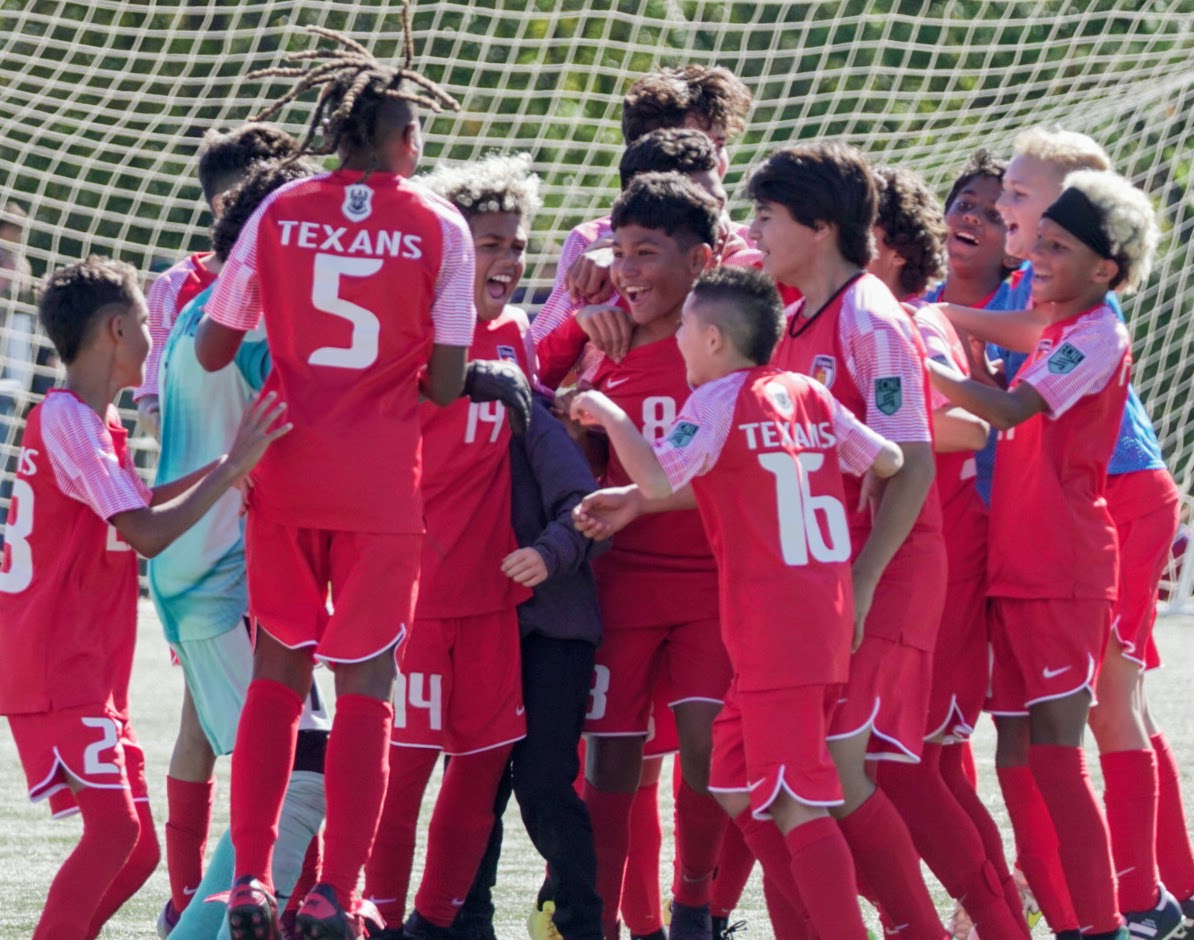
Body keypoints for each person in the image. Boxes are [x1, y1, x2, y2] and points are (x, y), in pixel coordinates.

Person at [193, 27, 526, 940]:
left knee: (278, 674)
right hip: (382, 482)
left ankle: (251, 880)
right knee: (369, 684)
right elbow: (449, 384)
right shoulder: (437, 223)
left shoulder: (279, 209)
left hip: (288, 466)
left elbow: (217, 345)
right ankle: (339, 890)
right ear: (404, 139)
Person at [570, 264, 904, 938]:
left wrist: (603, 408)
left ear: (714, 339)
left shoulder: (718, 400)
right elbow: (889, 457)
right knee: (730, 783)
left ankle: (842, 926)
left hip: (777, 626)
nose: (678, 340)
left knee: (797, 801)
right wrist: (868, 483)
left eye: (687, 328)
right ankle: (821, 915)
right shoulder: (806, 392)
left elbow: (661, 473)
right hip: (817, 617)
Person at [940, 128, 1191, 937]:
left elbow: (1012, 405)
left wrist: (912, 355)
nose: (1009, 216)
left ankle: (1138, 902)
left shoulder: (1089, 325)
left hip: (1080, 547)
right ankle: (1089, 910)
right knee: (1034, 750)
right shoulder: (1042, 306)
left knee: (1101, 715)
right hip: (1025, 556)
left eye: (1020, 196)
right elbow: (979, 333)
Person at [0, 255, 289, 940]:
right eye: (140, 322)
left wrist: (226, 469)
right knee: (114, 833)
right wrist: (231, 469)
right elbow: (146, 533)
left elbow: (135, 508)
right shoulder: (66, 418)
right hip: (55, 665)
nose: (152, 340)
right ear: (114, 330)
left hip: (86, 669)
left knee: (137, 851)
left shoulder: (93, 425)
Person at [749, 141, 947, 939]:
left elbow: (917, 461)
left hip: (881, 571)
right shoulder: (793, 315)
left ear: (821, 226)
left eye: (766, 216)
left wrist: (862, 583)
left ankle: (917, 928)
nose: (752, 231)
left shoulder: (870, 316)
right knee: (776, 776)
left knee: (830, 770)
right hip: (819, 580)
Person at [152, 157, 334, 940]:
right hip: (223, 580)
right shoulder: (255, 319)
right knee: (302, 773)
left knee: (290, 767)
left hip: (205, 574)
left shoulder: (205, 311)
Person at [360, 152, 538, 940]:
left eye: (516, 243)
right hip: (418, 601)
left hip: (494, 599)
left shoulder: (522, 334)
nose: (507, 259)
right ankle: (378, 919)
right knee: (402, 781)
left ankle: (434, 924)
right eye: (490, 242)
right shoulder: (405, 335)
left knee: (478, 774)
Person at [561, 172, 732, 940]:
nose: (627, 269)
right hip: (620, 586)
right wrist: (572, 407)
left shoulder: (732, 351)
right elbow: (564, 458)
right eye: (619, 252)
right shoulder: (601, 348)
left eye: (646, 253)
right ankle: (594, 919)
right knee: (610, 768)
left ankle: (692, 908)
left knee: (707, 755)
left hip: (709, 583)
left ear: (701, 260)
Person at [868, 164, 1030, 938]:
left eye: (992, 211)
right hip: (893, 567)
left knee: (897, 766)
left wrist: (836, 429)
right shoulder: (894, 314)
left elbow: (969, 429)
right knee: (895, 768)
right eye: (962, 202)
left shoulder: (919, 323)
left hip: (939, 569)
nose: (972, 216)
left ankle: (997, 922)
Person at [531, 66, 753, 347]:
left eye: (718, 145)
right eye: (691, 146)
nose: (711, 160)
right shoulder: (590, 243)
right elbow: (547, 368)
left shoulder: (753, 246)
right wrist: (585, 319)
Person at [134, 124, 299, 440]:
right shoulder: (175, 286)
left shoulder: (301, 276)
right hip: (209, 475)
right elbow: (152, 394)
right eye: (274, 197)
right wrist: (154, 413)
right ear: (224, 203)